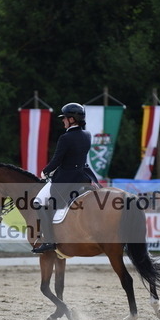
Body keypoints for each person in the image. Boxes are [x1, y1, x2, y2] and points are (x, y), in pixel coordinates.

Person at [32, 102, 99, 253]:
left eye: (65, 118)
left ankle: (49, 240)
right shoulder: (87, 135)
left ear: (72, 119)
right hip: (83, 176)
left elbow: (57, 160)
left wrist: (45, 172)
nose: (63, 120)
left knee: (38, 202)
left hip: (67, 178)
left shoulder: (65, 137)